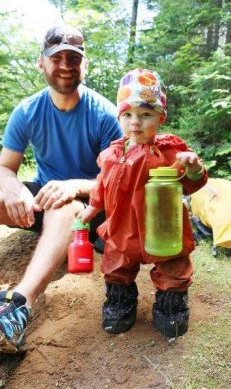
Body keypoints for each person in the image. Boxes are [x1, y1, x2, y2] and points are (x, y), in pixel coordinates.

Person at [0, 24, 122, 353]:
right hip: (41, 202)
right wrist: (15, 190)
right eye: (57, 58)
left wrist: (73, 186)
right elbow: (3, 168)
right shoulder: (27, 111)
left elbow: (120, 181)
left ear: (85, 65)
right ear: (42, 63)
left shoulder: (105, 115)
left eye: (74, 58)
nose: (66, 65)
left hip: (89, 208)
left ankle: (17, 305)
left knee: (66, 205)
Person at [78, 68, 208, 339]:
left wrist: (194, 168)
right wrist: (91, 209)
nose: (135, 122)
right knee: (117, 264)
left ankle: (171, 304)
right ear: (119, 117)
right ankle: (120, 301)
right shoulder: (112, 153)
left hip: (162, 227)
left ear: (160, 117)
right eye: (127, 114)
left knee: (172, 265)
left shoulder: (171, 151)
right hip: (122, 227)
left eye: (145, 114)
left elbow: (193, 181)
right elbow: (102, 185)